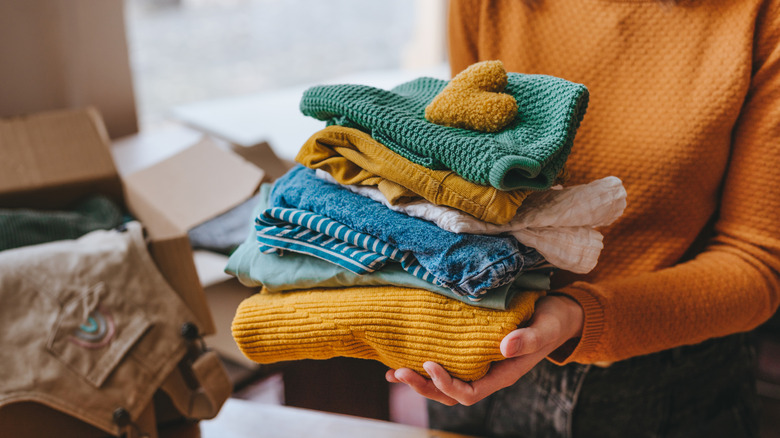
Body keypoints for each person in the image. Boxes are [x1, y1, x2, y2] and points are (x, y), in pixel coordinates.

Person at [385, 0, 780, 436]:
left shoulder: (760, 16)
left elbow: (757, 263)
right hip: (483, 351)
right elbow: (466, 176)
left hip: (669, 383)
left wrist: (577, 315)